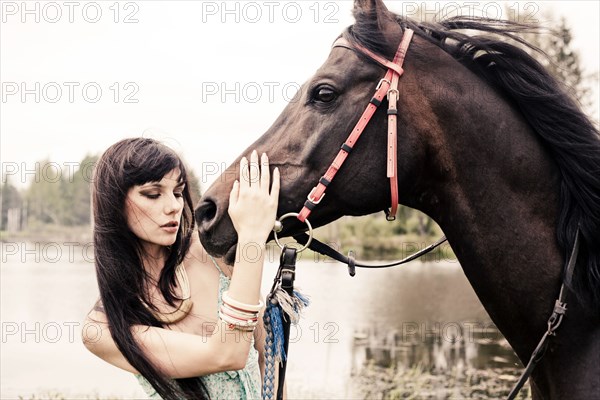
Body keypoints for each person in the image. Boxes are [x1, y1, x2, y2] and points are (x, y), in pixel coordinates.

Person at [82, 137, 280, 400]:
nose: (174, 206)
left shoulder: (210, 254)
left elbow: (268, 354)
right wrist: (252, 237)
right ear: (114, 203)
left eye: (178, 192)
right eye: (153, 194)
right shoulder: (102, 328)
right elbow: (226, 354)